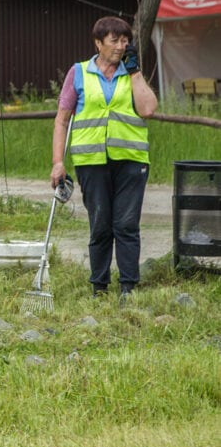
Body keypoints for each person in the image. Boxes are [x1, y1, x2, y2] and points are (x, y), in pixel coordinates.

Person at [51, 16, 157, 299]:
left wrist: (135, 73)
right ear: (98, 43)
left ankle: (128, 286)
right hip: (91, 161)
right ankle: (99, 286)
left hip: (132, 160)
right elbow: (62, 120)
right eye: (115, 41)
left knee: (126, 223)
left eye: (125, 41)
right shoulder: (79, 73)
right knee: (100, 222)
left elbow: (148, 110)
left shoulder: (131, 73)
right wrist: (58, 162)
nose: (121, 46)